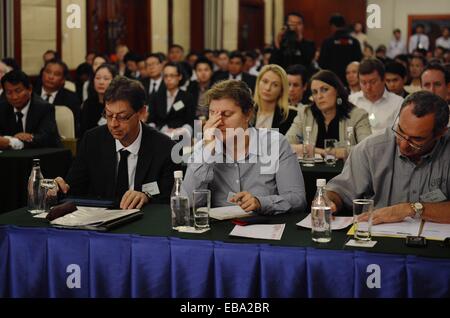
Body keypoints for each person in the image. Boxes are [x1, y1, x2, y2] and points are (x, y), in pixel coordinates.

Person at [181, 79, 306, 214]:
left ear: (248, 114)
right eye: (212, 113)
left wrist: (260, 202)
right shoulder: (205, 146)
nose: (217, 122)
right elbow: (186, 202)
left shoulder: (275, 143)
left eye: (226, 114)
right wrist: (207, 152)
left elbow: (298, 199)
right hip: (219, 230)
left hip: (263, 228)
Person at [325, 91, 450, 225]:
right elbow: (340, 192)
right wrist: (329, 200)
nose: (403, 145)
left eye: (416, 139)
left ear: (440, 133)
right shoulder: (370, 149)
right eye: (400, 131)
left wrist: (410, 209)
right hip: (378, 237)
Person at [55, 76, 178, 209]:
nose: (113, 124)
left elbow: (168, 199)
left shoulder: (165, 147)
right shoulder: (92, 140)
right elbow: (74, 187)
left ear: (142, 112)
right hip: (99, 221)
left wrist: (146, 197)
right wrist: (60, 187)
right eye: (108, 115)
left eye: (122, 117)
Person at [286, 70, 371, 158]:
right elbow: (286, 145)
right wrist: (321, 152)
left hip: (346, 170)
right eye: (315, 92)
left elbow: (367, 148)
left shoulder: (357, 115)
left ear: (337, 91)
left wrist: (326, 152)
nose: (319, 96)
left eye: (324, 90)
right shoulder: (305, 114)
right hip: (311, 171)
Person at [0, 70, 61, 150]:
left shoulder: (45, 108)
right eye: (9, 92)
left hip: (42, 155)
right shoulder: (2, 108)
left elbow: (45, 138)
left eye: (18, 91)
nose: (14, 97)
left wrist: (11, 142)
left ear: (29, 89)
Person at [349, 58, 403, 135]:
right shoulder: (351, 101)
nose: (368, 87)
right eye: (363, 82)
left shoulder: (398, 103)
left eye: (373, 82)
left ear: (384, 79)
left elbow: (398, 135)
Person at [147, 62, 195, 137]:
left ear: (180, 77)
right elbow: (151, 120)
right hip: (160, 136)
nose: (168, 79)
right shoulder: (156, 96)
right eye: (166, 76)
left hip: (180, 136)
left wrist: (179, 131)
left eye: (172, 76)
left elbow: (190, 121)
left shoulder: (187, 97)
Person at [39, 59, 81, 135]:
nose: (51, 77)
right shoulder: (31, 94)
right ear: (42, 73)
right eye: (48, 72)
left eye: (56, 74)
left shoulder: (71, 98)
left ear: (63, 80)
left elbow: (75, 128)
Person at [252, 64, 297, 135]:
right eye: (265, 81)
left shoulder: (291, 116)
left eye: (275, 85)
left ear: (281, 90)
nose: (268, 88)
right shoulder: (245, 112)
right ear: (258, 82)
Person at [319, 13, 362, 83]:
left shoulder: (328, 42)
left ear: (332, 26)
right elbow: (359, 62)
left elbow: (322, 63)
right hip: (351, 80)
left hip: (333, 80)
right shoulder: (355, 42)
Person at [79, 63, 118, 139]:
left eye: (106, 79)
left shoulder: (118, 105)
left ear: (114, 81)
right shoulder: (88, 103)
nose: (101, 82)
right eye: (97, 78)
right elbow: (83, 132)